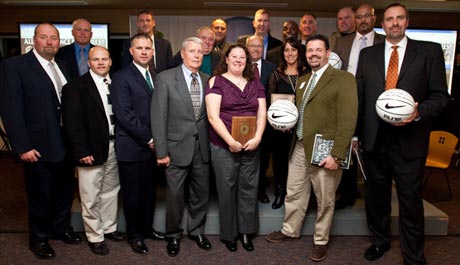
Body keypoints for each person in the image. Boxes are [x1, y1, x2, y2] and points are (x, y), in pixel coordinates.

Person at [356, 3, 450, 264]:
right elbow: (361, 99)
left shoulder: (429, 52)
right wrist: (355, 136)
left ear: (407, 21)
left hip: (410, 140)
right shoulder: (368, 56)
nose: (394, 23)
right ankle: (380, 240)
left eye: (399, 18)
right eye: (389, 19)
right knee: (376, 196)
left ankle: (413, 256)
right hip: (375, 139)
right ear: (382, 24)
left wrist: (418, 112)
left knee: (410, 200)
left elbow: (441, 97)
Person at [265, 34, 358, 262]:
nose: (314, 54)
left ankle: (320, 240)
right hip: (298, 145)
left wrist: (337, 154)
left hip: (325, 150)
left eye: (319, 50)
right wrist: (285, 124)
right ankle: (289, 229)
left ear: (328, 53)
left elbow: (348, 119)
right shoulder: (304, 79)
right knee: (294, 191)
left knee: (325, 198)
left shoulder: (343, 79)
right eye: (310, 51)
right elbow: (298, 113)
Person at [0, 23, 81, 260]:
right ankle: (39, 238)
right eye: (44, 37)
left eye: (54, 38)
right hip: (37, 145)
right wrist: (22, 146)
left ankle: (60, 229)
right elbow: (11, 110)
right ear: (34, 40)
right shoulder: (15, 66)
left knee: (64, 191)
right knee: (40, 194)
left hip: (64, 143)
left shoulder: (63, 66)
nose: (49, 42)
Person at [151, 37, 212, 257]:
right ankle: (174, 235)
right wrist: (161, 151)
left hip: (202, 147)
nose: (197, 55)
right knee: (175, 195)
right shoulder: (166, 78)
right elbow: (158, 117)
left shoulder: (208, 80)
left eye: (200, 52)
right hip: (175, 149)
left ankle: (196, 231)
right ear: (183, 54)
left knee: (200, 193)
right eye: (192, 51)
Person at [61, 46, 124, 256]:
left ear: (110, 61)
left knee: (111, 191)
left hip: (114, 146)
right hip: (90, 149)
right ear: (88, 63)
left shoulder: (115, 83)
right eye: (96, 59)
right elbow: (72, 124)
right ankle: (95, 236)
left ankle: (109, 227)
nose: (100, 63)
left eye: (104, 59)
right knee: (90, 196)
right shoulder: (75, 87)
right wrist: (81, 151)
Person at [206, 43, 266, 252]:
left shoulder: (255, 83)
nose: (238, 60)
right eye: (234, 56)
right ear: (227, 59)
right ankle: (229, 234)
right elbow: (213, 116)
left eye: (242, 57)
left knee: (249, 190)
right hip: (223, 147)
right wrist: (230, 141)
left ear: (247, 61)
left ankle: (246, 233)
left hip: (251, 146)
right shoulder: (217, 81)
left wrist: (257, 137)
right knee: (227, 190)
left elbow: (261, 113)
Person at [111, 33, 165, 255]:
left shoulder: (155, 74)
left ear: (153, 52)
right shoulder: (121, 77)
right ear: (131, 51)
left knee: (149, 193)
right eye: (139, 48)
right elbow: (125, 116)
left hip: (151, 148)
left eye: (147, 48)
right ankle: (134, 235)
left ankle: (147, 229)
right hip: (132, 146)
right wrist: (151, 139)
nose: (144, 52)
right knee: (132, 196)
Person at [333, 3, 385, 210]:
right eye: (359, 17)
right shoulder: (341, 43)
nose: (362, 20)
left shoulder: (384, 42)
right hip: (346, 102)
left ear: (374, 19)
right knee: (344, 147)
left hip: (374, 104)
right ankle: (347, 193)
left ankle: (376, 195)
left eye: (367, 16)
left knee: (373, 149)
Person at [267, 37, 309, 209]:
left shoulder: (307, 73)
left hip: (302, 127)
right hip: (280, 129)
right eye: (286, 50)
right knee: (280, 161)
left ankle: (298, 196)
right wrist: (281, 123)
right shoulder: (276, 74)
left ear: (299, 52)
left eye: (293, 49)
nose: (290, 53)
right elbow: (270, 101)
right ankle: (280, 191)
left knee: (299, 162)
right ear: (282, 53)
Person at [245, 35, 276, 203]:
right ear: (247, 48)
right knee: (248, 158)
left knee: (264, 158)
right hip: (245, 120)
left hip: (267, 121)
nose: (256, 49)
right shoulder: (240, 66)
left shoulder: (273, 67)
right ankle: (247, 191)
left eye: (259, 46)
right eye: (252, 46)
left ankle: (260, 190)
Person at [121, 9, 173, 73]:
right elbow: (125, 66)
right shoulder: (128, 43)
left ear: (153, 23)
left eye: (148, 20)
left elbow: (170, 68)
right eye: (141, 21)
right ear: (137, 24)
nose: (145, 23)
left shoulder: (165, 44)